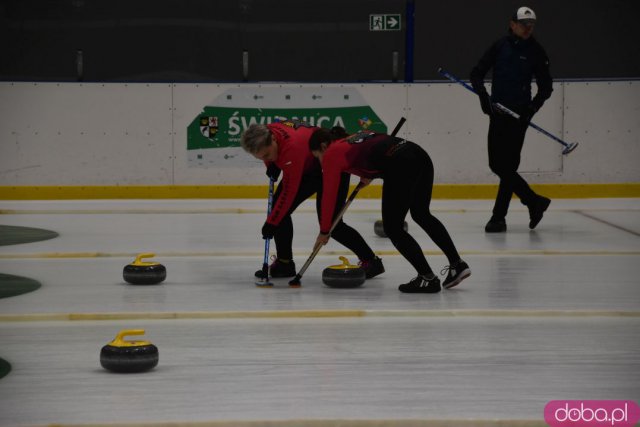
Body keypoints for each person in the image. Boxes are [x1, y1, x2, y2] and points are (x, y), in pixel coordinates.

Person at [309, 127, 470, 293]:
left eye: (317, 157)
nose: (320, 161)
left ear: (323, 147)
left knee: (393, 228)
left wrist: (324, 230)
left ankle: (427, 278)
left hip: (401, 165)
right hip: (419, 154)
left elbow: (329, 196)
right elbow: (378, 152)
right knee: (422, 214)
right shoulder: (356, 136)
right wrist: (369, 173)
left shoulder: (331, 154)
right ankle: (457, 264)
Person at [240, 119, 384, 280]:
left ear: (273, 139)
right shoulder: (269, 132)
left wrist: (271, 222)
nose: (267, 158)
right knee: (278, 213)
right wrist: (270, 163)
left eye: (267, 155)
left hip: (330, 163)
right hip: (308, 167)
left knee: (332, 225)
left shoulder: (291, 149)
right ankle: (284, 263)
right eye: (261, 158)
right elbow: (277, 167)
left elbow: (289, 191)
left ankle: (371, 261)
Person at [470, 6, 553, 233]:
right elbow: (476, 74)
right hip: (498, 114)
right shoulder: (500, 47)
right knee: (497, 164)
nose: (528, 28)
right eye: (524, 24)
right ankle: (533, 201)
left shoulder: (537, 51)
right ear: (512, 24)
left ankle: (499, 218)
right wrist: (484, 99)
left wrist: (531, 109)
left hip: (519, 117)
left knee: (507, 166)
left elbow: (546, 88)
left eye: (531, 25)